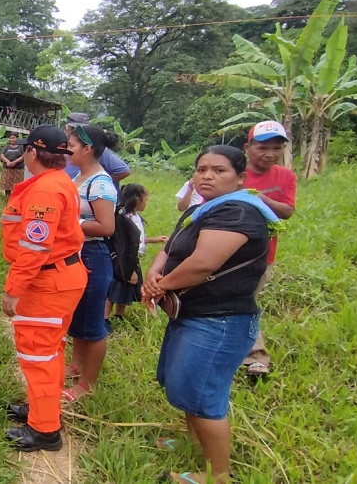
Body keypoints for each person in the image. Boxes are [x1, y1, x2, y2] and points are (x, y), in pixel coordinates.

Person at [141, 145, 276, 484]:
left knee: (204, 398)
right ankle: (192, 443)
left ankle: (217, 475)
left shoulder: (238, 212)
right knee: (184, 386)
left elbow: (202, 264)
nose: (207, 176)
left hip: (220, 319)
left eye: (219, 170)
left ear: (240, 178)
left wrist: (160, 287)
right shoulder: (205, 209)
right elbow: (172, 247)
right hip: (194, 314)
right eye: (202, 169)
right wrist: (155, 271)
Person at [0, 125, 87, 453]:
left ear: (32, 153)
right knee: (50, 351)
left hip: (47, 283)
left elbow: (35, 247)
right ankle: (42, 409)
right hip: (59, 278)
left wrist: (14, 289)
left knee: (38, 354)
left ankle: (45, 430)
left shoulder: (46, 191)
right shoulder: (58, 182)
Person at [63, 124, 117, 403]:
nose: (67, 149)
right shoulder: (80, 177)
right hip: (78, 254)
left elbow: (107, 227)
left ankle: (87, 383)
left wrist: (72, 223)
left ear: (87, 149)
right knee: (78, 316)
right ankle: (75, 364)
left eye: (71, 145)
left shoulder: (101, 183)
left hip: (93, 256)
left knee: (93, 323)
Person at [240, 120, 296, 379]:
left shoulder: (286, 176)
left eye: (276, 148)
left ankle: (256, 356)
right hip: (224, 249)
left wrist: (259, 197)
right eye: (263, 147)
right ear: (247, 147)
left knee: (245, 301)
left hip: (262, 252)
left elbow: (287, 212)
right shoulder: (232, 171)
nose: (270, 154)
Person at [104, 183, 167, 328]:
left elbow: (135, 240)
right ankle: (105, 318)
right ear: (137, 199)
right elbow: (123, 245)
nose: (146, 203)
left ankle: (119, 315)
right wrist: (129, 269)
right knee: (116, 289)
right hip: (125, 260)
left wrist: (152, 239)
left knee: (126, 289)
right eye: (145, 200)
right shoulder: (124, 219)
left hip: (133, 258)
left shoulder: (135, 217)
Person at [62, 113, 131, 187]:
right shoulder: (61, 147)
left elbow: (123, 171)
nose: (78, 133)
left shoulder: (95, 149)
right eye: (74, 129)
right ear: (66, 128)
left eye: (82, 130)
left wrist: (99, 183)